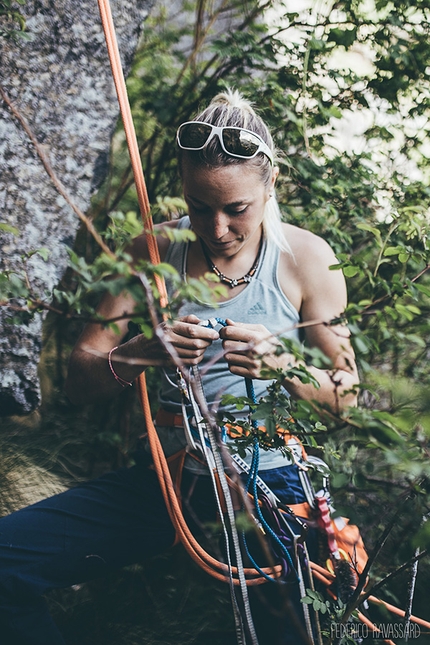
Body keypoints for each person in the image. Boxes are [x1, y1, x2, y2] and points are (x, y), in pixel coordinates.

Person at [0, 90, 358, 645]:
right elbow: (78, 380)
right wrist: (145, 350)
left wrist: (282, 364)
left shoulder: (306, 259)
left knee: (291, 630)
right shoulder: (153, 250)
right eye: (198, 207)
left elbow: (348, 397)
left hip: (273, 480)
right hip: (170, 480)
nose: (215, 229)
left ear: (271, 184)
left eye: (236, 209)